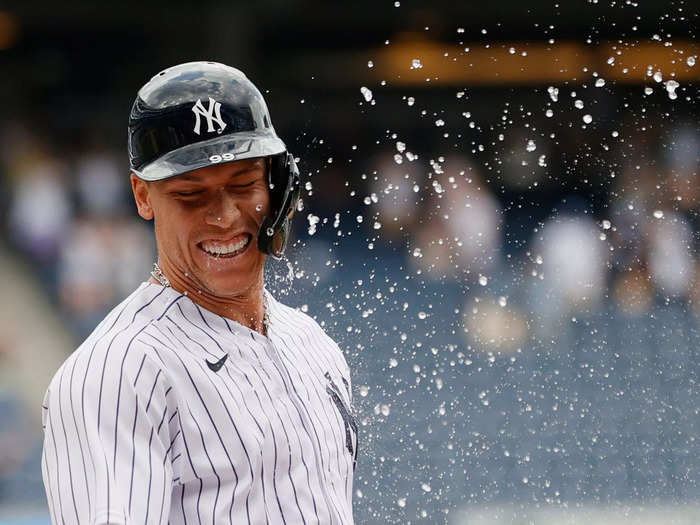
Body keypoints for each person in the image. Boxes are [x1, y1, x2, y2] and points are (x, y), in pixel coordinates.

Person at [41, 61, 357, 525]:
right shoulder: (115, 375)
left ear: (278, 184)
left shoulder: (312, 342)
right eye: (191, 195)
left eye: (244, 184)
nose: (224, 216)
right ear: (143, 196)